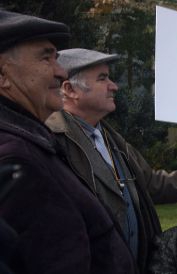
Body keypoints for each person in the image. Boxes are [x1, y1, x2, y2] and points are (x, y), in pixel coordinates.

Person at [45, 48, 177, 273]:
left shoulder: (110, 137)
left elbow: (151, 183)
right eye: (102, 78)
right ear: (69, 89)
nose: (114, 86)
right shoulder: (51, 139)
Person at [0, 10, 136, 274]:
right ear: (2, 76)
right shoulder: (15, 157)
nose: (61, 72)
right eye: (46, 57)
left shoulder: (32, 143)